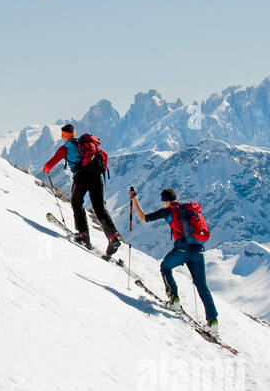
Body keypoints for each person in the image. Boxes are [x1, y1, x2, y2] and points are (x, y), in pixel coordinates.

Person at [129, 187, 220, 335]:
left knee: (165, 267)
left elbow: (143, 217)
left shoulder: (169, 211)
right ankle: (213, 320)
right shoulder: (187, 209)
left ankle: (174, 299)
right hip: (198, 250)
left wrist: (134, 199)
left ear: (165, 201)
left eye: (163, 201)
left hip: (182, 249)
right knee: (202, 285)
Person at [42, 124, 122, 257]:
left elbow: (48, 166)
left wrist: (46, 170)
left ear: (64, 136)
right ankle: (113, 237)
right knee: (100, 207)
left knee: (77, 203)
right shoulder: (86, 143)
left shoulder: (65, 148)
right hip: (97, 177)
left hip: (81, 178)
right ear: (74, 133)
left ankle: (83, 235)